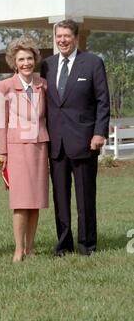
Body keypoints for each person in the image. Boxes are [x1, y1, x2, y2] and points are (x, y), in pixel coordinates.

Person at [41, 19, 110, 257]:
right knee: (60, 198)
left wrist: (99, 132)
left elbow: (103, 101)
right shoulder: (47, 65)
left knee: (85, 198)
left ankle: (87, 244)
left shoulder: (92, 63)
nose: (62, 40)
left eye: (67, 36)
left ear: (76, 37)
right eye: (59, 36)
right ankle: (63, 244)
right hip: (56, 144)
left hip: (84, 141)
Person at [0, 35, 49, 263]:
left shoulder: (43, 84)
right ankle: (18, 249)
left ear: (35, 60)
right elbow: (1, 121)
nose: (26, 63)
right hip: (17, 149)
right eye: (21, 59)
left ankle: (31, 247)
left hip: (39, 147)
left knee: (35, 201)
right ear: (14, 62)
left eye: (29, 58)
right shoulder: (4, 86)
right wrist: (3, 153)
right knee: (20, 202)